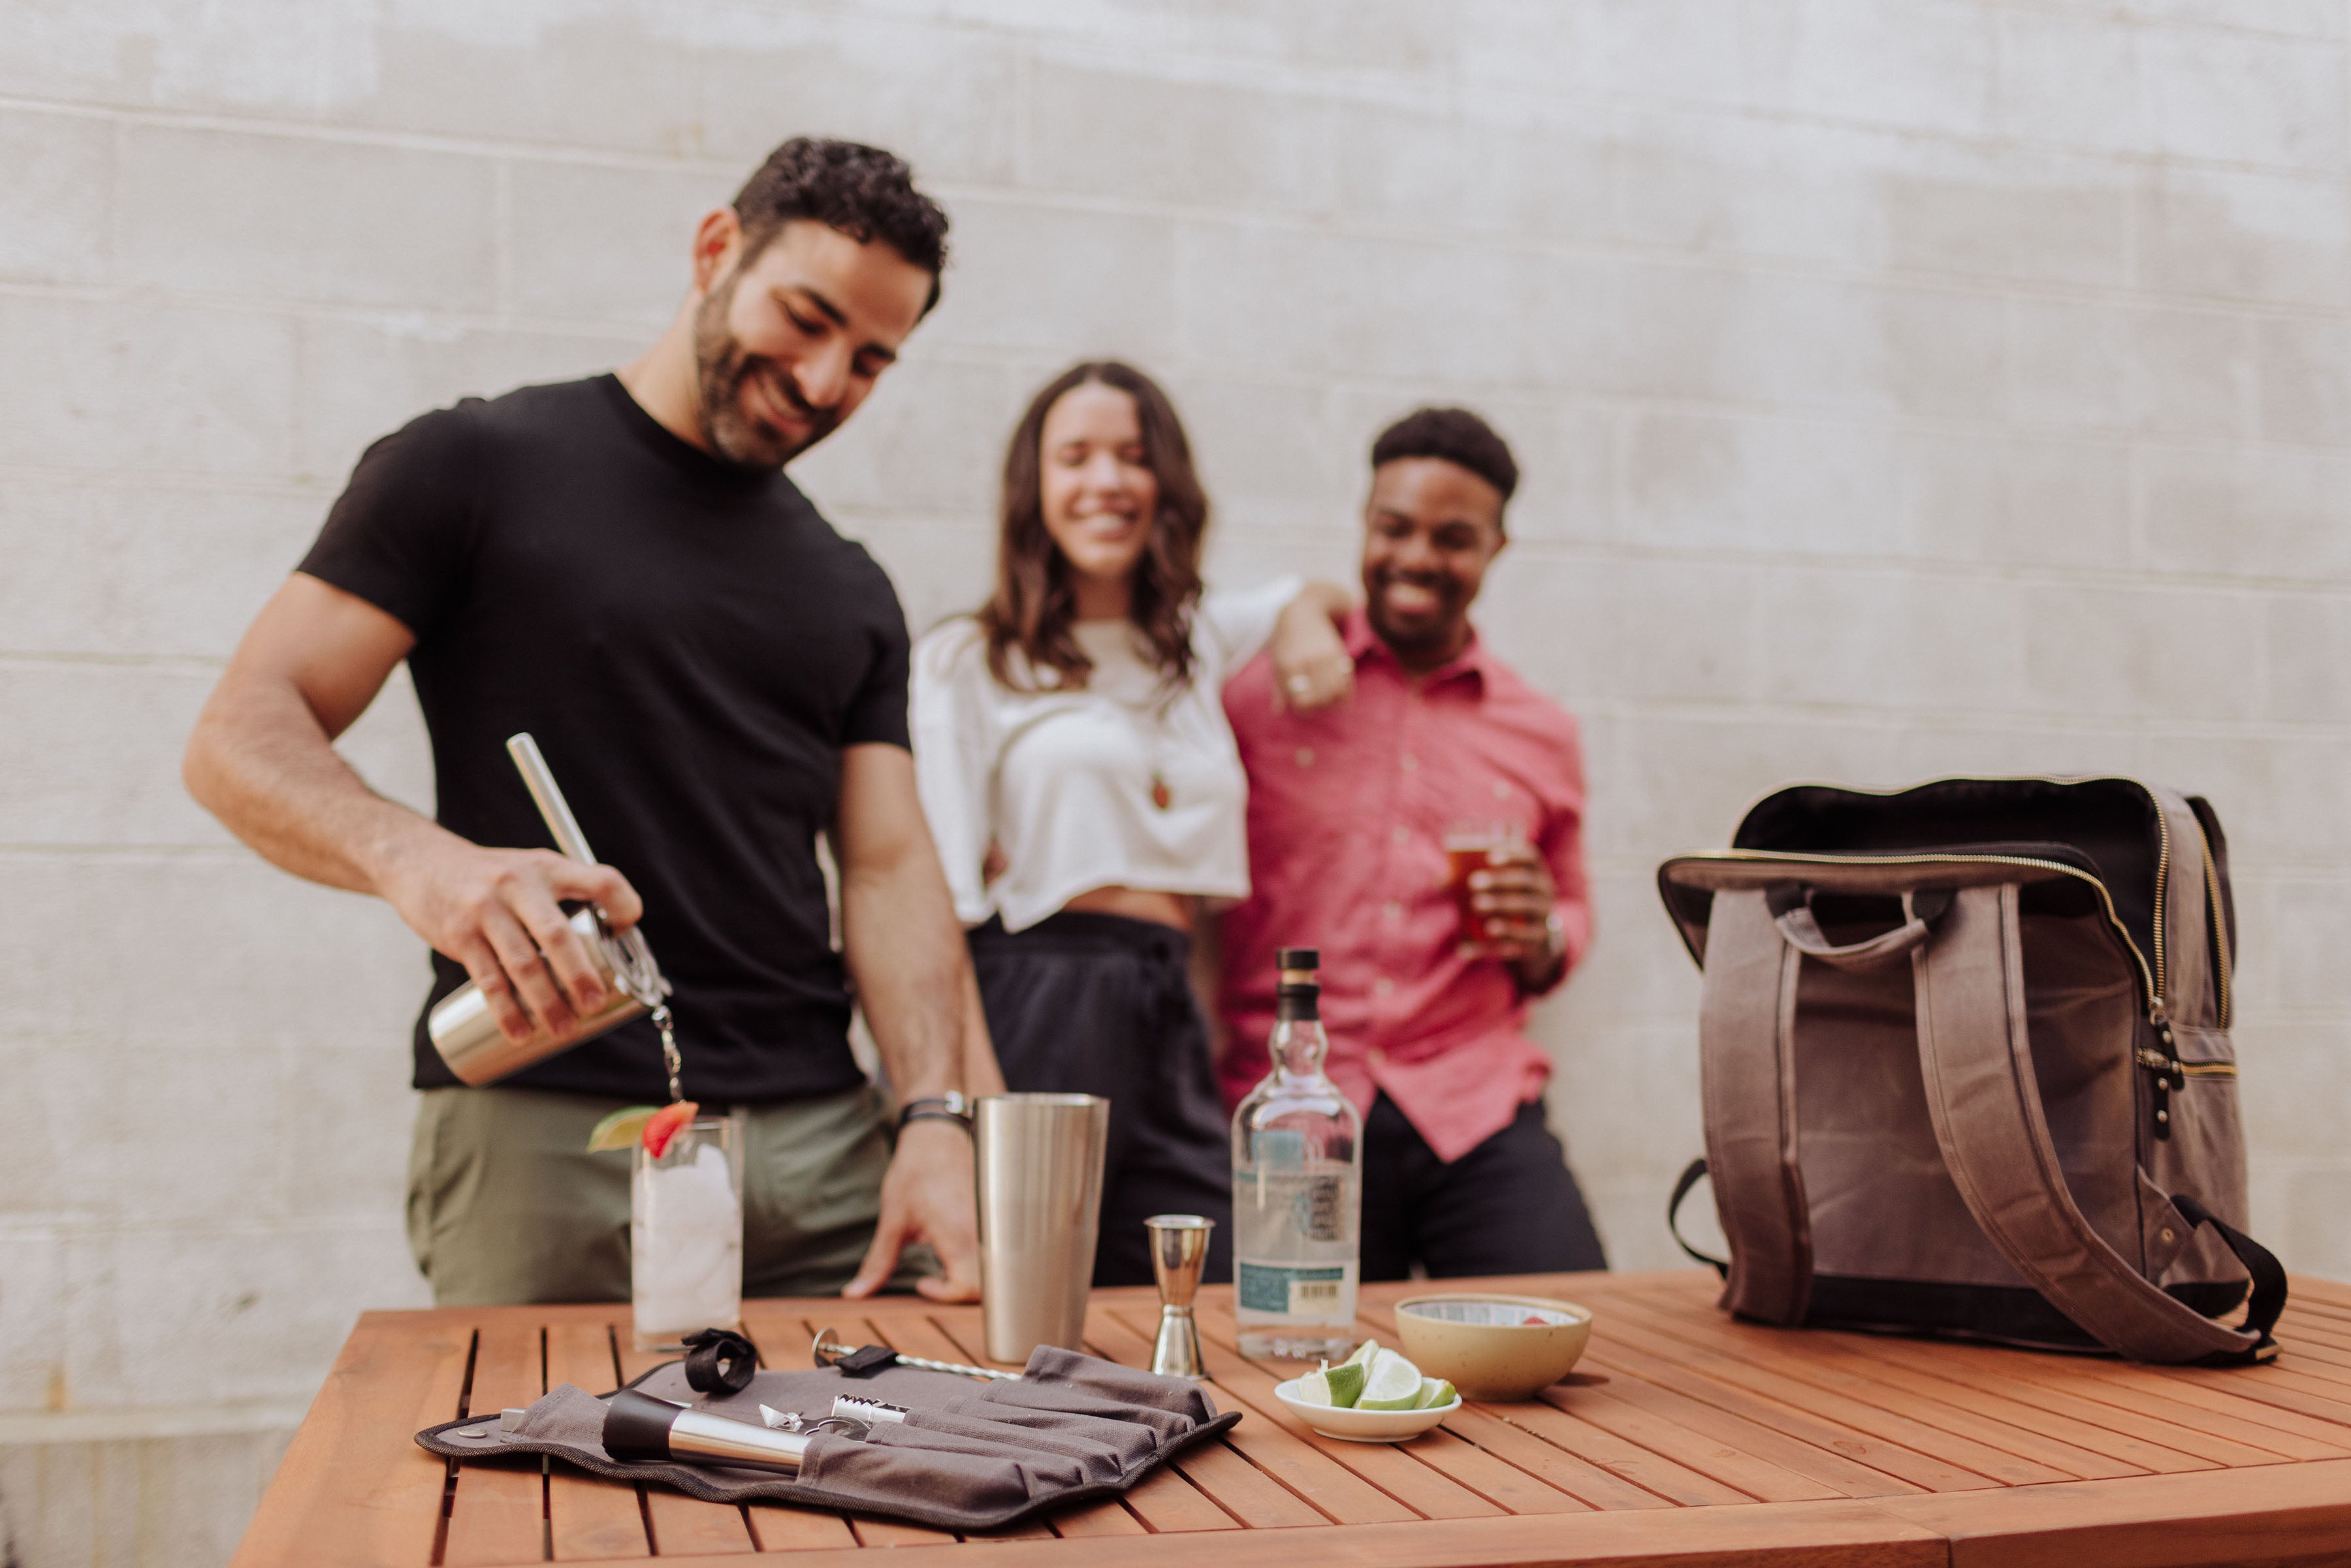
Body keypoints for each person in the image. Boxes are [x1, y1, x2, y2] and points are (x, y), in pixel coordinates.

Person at [183, 137, 1003, 1307]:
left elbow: (887, 867)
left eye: (872, 360)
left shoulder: (851, 582)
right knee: (542, 1490)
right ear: (717, 249)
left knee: (879, 1477)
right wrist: (419, 861)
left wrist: (933, 1115)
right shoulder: (469, 467)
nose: (826, 383)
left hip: (828, 1154)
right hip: (549, 1138)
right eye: (806, 318)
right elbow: (238, 734)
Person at [911, 360, 1354, 1287]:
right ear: (1036, 488)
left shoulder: (1191, 645)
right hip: (1040, 1000)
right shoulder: (969, 659)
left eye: (1131, 456)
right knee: (1030, 1306)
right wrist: (983, 1123)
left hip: (1170, 1004)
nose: (1106, 480)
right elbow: (943, 911)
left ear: (1167, 485)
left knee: (1225, 1285)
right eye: (1075, 456)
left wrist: (1310, 626)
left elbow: (1309, 593)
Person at [1218, 406, 1608, 1280]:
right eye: (1394, 526)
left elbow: (1573, 909)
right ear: (1364, 522)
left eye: (1454, 537)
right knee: (1271, 1368)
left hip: (1470, 1101)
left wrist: (1545, 932)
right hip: (1286, 1107)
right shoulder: (1260, 694)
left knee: (1570, 1331)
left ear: (1496, 547)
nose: (1419, 557)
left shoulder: (1541, 731)